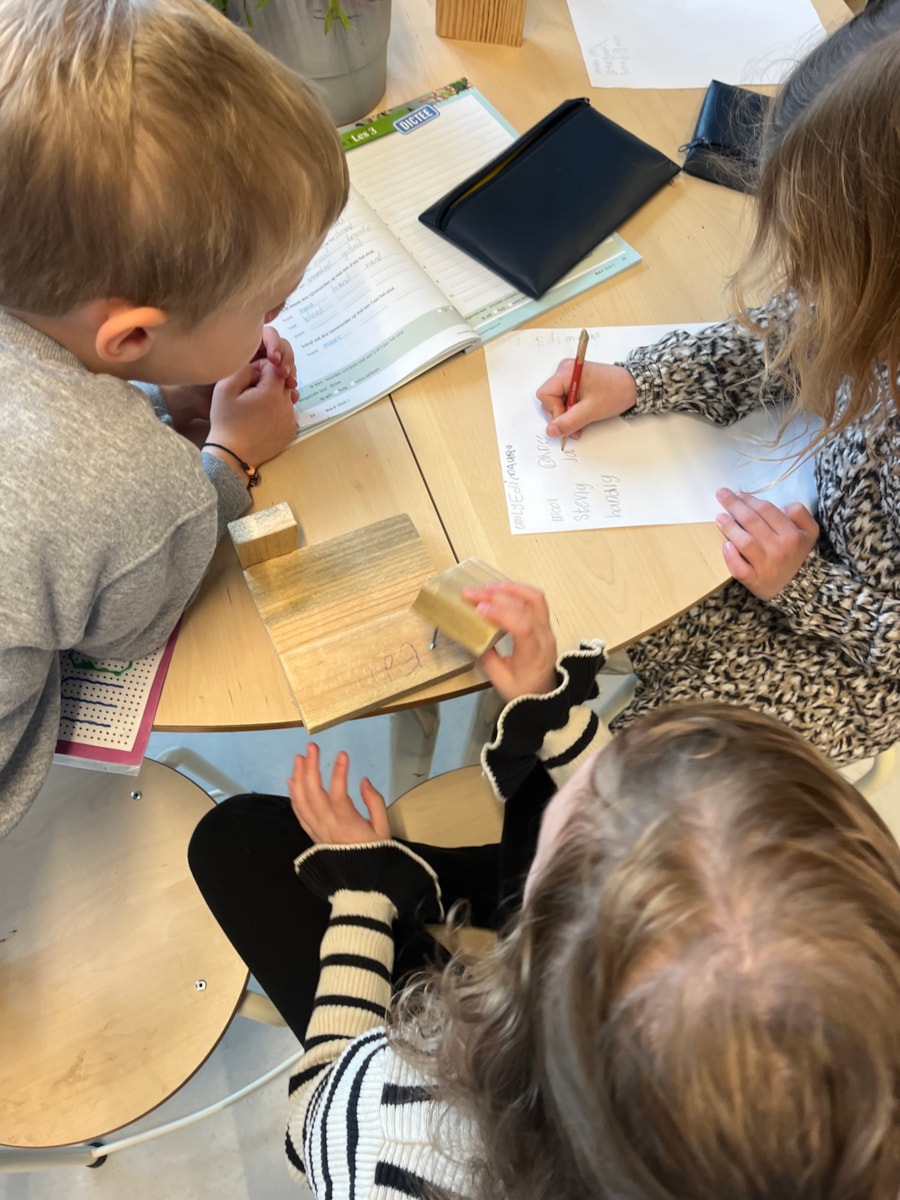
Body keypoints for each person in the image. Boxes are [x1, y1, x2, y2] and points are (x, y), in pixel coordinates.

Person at [188, 581, 900, 1199]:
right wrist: (554, 718)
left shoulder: (397, 1136)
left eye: (571, 844)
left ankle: (404, 895)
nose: (593, 778)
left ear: (528, 978)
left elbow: (313, 1119)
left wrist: (360, 894)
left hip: (430, 1048)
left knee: (229, 839)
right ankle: (437, 887)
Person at [0, 0, 349, 835]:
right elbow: (126, 629)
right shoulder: (130, 479)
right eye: (266, 303)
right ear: (131, 336)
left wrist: (157, 390)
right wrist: (227, 458)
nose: (274, 319)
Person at [536, 26, 900, 767]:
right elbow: (793, 329)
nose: (800, 283)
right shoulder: (863, 308)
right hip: (792, 543)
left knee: (653, 759)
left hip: (861, 661)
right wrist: (641, 381)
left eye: (822, 260)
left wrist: (806, 587)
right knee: (603, 611)